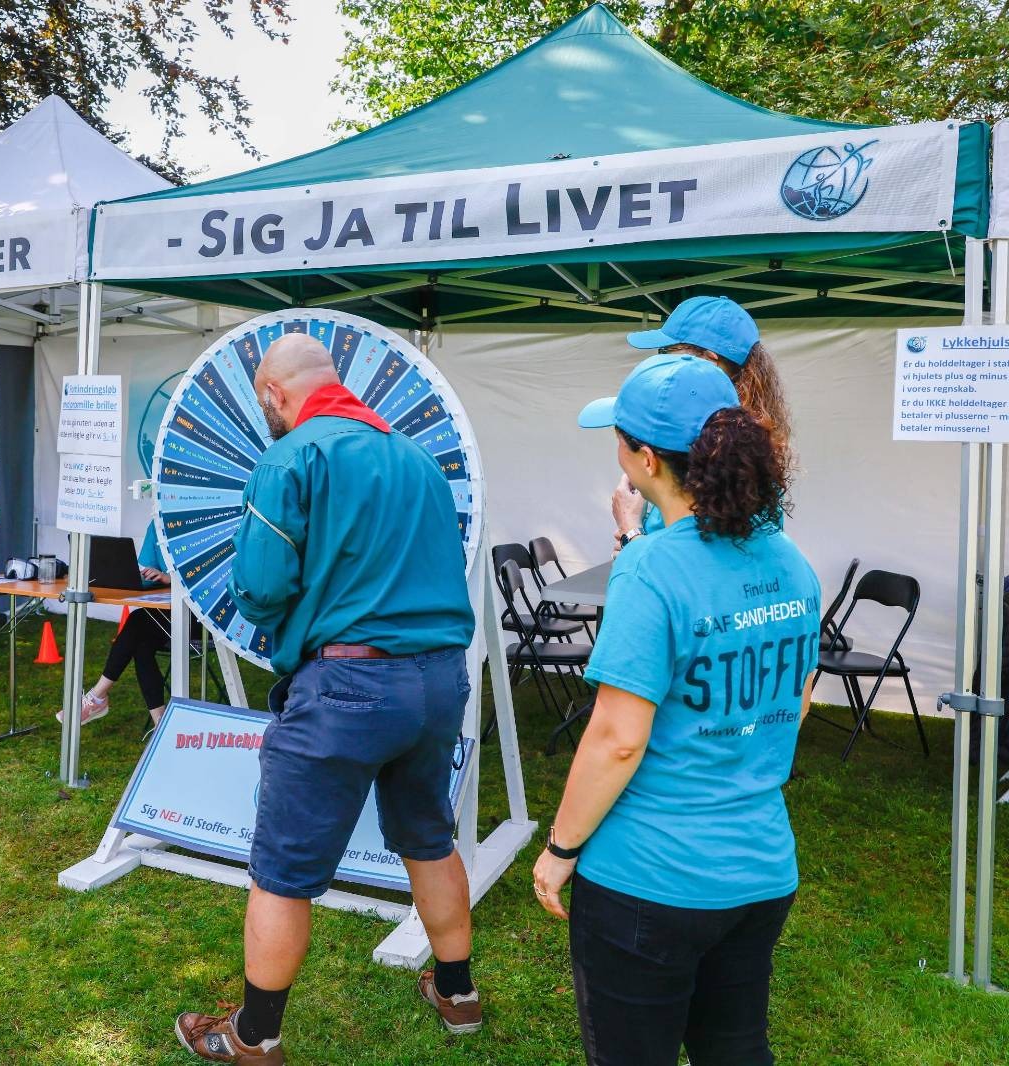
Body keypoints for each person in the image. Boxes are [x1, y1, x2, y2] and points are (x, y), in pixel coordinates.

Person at [174, 334, 480, 1064]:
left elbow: (261, 586)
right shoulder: (418, 460)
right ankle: (458, 995)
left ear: (277, 395)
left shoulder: (291, 456)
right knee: (429, 838)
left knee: (282, 870)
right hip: (439, 681)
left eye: (264, 404)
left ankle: (253, 1037)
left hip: (346, 687)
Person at [534, 353, 820, 1066]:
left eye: (621, 437)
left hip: (649, 881)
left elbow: (617, 739)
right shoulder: (789, 558)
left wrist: (560, 849)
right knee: (736, 1050)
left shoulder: (651, 568)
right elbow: (799, 694)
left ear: (647, 460)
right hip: (760, 869)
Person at [610, 296, 793, 550]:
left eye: (668, 352)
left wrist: (632, 536)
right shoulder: (746, 446)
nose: (660, 362)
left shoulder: (727, 454)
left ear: (710, 359)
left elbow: (702, 570)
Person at [66, 523, 173, 728]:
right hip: (168, 617)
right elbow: (148, 571)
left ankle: (97, 697)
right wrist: (125, 578)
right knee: (141, 640)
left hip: (205, 620)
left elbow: (213, 577)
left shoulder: (204, 521)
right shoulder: (157, 523)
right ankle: (161, 723)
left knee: (137, 623)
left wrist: (171, 579)